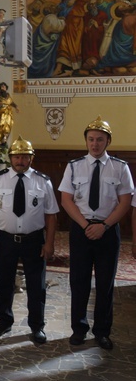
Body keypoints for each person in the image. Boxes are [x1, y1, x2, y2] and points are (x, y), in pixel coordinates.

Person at [58, 116, 133, 350]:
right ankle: (79, 329)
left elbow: (125, 201)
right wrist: (84, 225)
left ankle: (102, 331)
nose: (95, 144)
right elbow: (66, 199)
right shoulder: (74, 166)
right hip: (81, 230)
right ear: (86, 141)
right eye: (91, 139)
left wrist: (104, 226)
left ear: (108, 141)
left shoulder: (120, 168)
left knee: (105, 283)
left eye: (100, 140)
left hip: (107, 231)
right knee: (79, 281)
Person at [0, 136, 58, 344]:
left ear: (32, 158)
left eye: (25, 156)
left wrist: (49, 243)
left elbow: (51, 214)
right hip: (6, 239)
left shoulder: (43, 181)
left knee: (36, 285)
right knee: (4, 282)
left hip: (34, 240)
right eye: (16, 156)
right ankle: (4, 321)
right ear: (10, 158)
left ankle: (37, 326)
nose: (20, 160)